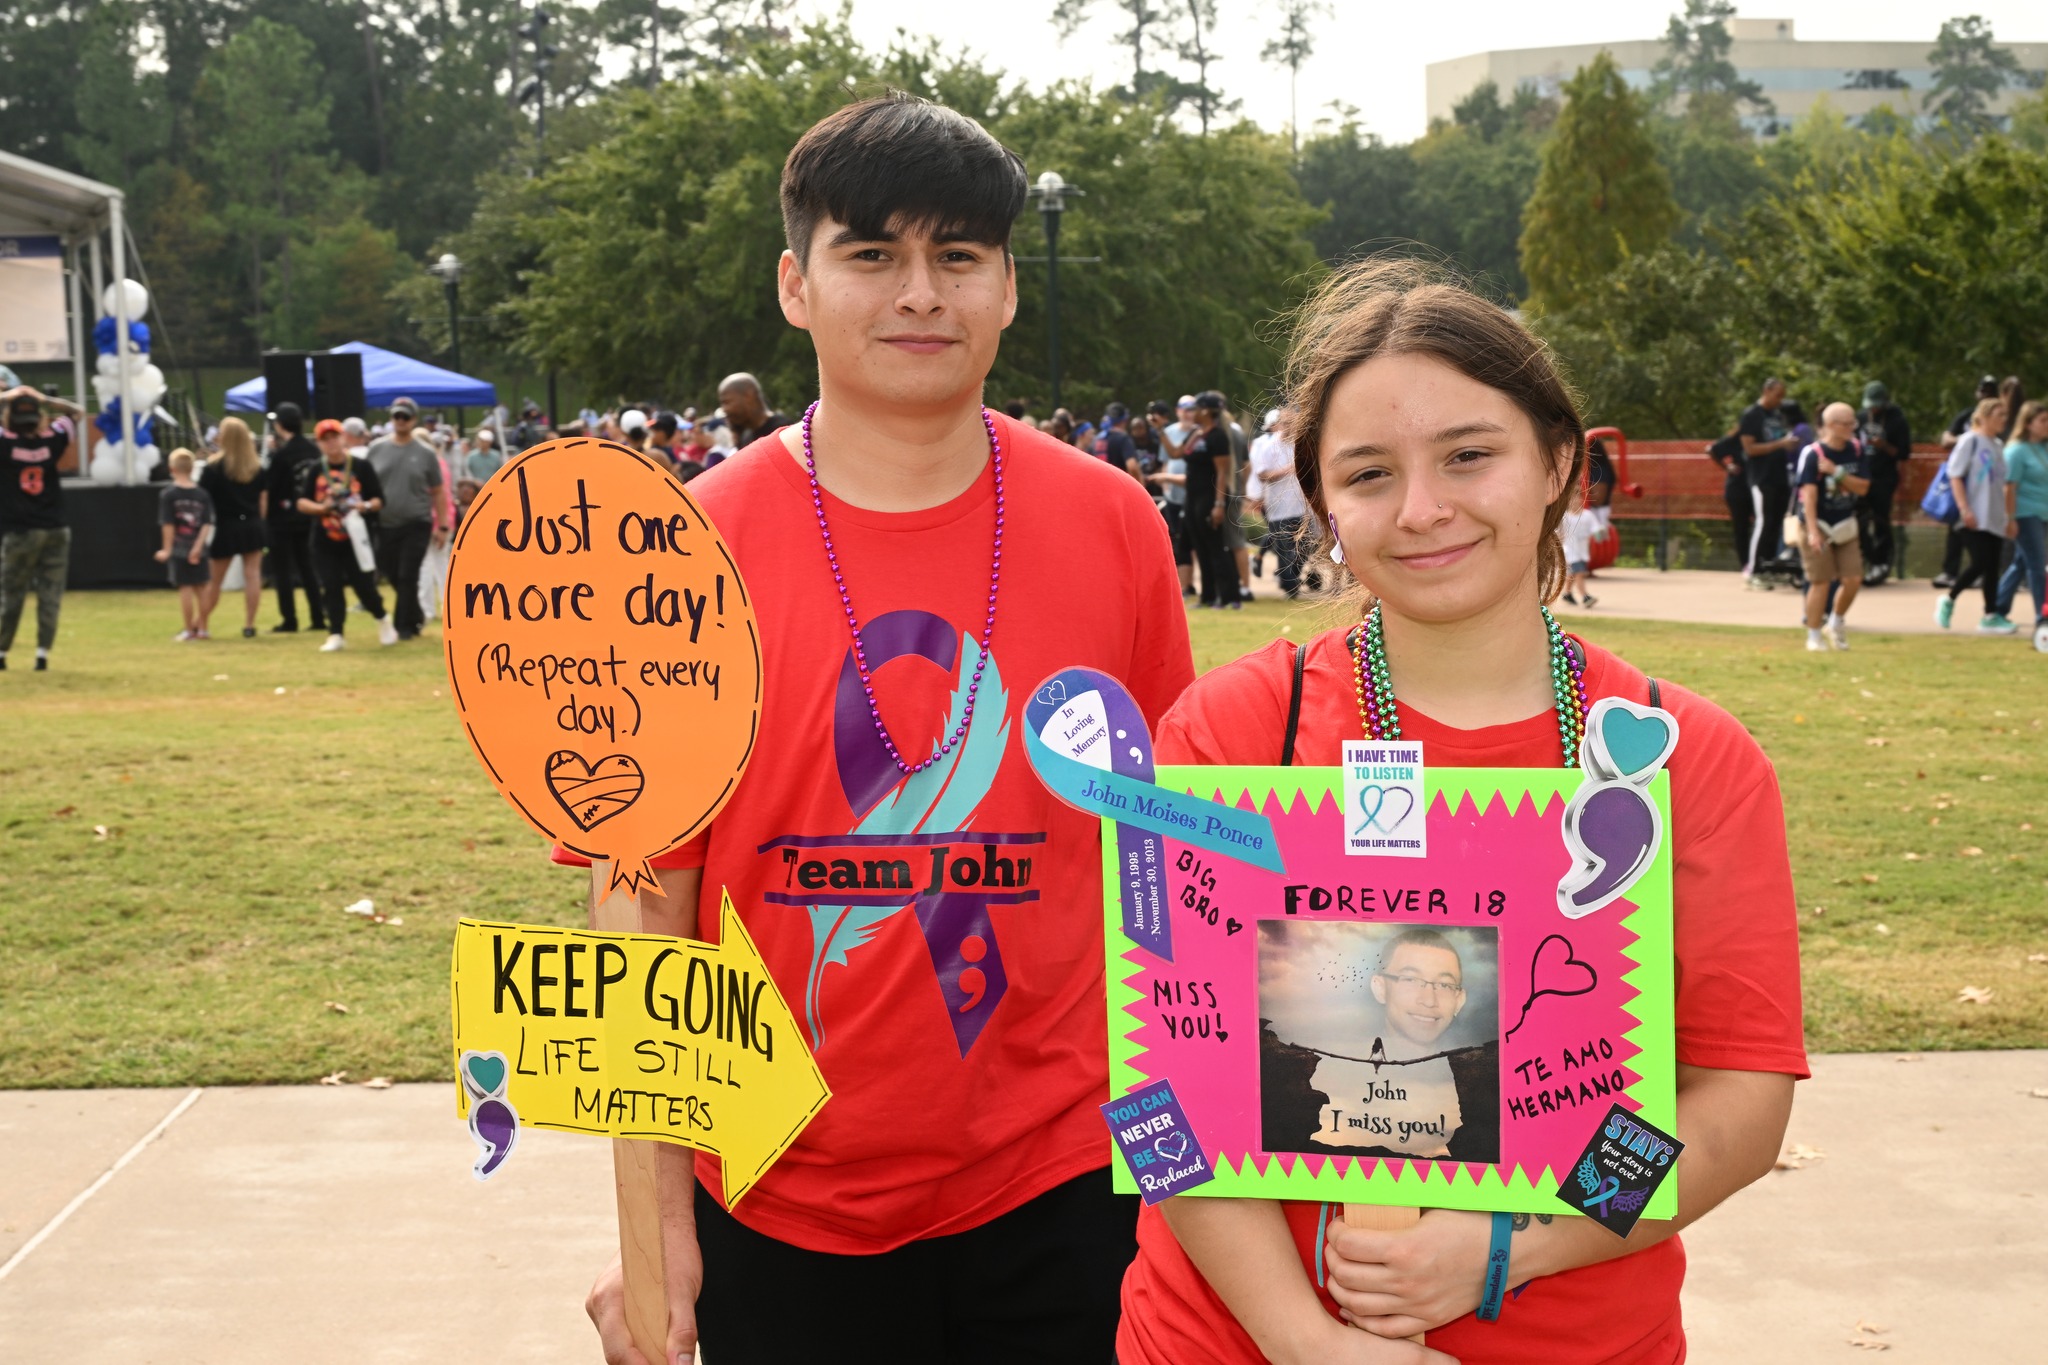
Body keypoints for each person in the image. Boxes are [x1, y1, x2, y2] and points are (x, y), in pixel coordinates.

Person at [579, 91, 1194, 1365]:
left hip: (1067, 1176)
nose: (920, 293)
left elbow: (1163, 869)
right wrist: (655, 1229)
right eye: (872, 255)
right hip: (772, 1185)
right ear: (797, 285)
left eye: (956, 257)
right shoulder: (678, 547)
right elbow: (645, 903)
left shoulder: (1113, 523)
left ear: (1007, 288)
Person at [1118, 258, 1803, 1365]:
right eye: (1370, 473)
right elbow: (1154, 1090)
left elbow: (1735, 1106)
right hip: (1225, 1341)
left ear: (1558, 466)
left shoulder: (1685, 760)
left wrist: (1511, 1245)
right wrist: (1303, 1340)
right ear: (1324, 506)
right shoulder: (1227, 733)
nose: (1422, 509)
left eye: (1468, 455)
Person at [298, 418, 398, 652]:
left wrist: (363, 506)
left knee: (363, 585)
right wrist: (322, 508)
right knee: (330, 585)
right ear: (320, 443)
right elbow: (302, 501)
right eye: (325, 439)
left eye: (334, 437)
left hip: (356, 536)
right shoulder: (316, 468)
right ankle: (336, 633)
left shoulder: (361, 466)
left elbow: (378, 499)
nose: (331, 443)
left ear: (344, 438)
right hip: (325, 536)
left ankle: (382, 617)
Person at [0, 384, 80, 671]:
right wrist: (42, 398)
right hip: (55, 529)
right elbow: (77, 413)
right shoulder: (52, 442)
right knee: (50, 594)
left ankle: (2, 652)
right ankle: (42, 653)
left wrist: (9, 397)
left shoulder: (5, 443)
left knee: (11, 594)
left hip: (20, 531)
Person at [1793, 402, 1870, 651]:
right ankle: (1813, 635)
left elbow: (1863, 487)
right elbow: (1810, 497)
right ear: (1829, 425)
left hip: (1845, 522)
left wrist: (1837, 473)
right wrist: (1814, 532)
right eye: (1845, 424)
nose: (1851, 428)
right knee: (1821, 581)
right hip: (1818, 523)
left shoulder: (1857, 450)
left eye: (1852, 423)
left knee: (1853, 578)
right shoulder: (1813, 454)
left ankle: (1835, 621)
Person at [365, 396, 442, 641]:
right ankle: (415, 614)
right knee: (393, 573)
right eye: (396, 416)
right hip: (385, 523)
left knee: (408, 574)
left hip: (417, 521)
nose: (400, 421)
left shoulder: (425, 453)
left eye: (405, 417)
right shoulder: (376, 449)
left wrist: (443, 524)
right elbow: (366, 483)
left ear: (414, 420)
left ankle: (402, 628)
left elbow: (438, 491)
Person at [1936, 396, 2013, 633]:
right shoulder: (1970, 441)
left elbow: (2003, 482)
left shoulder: (1998, 445)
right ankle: (1949, 599)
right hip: (1973, 514)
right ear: (1985, 416)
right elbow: (1955, 475)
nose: (2004, 420)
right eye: (1999, 415)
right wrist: (1964, 508)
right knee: (1980, 562)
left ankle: (1990, 615)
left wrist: (2008, 516)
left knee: (1992, 567)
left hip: (1994, 514)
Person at [197, 416, 269, 639]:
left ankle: (201, 624)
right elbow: (263, 501)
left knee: (214, 579)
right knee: (253, 575)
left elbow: (203, 498)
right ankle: (249, 624)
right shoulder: (257, 467)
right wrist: (259, 521)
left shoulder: (213, 468)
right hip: (252, 524)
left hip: (227, 525)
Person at [263, 402, 325, 635]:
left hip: (282, 519)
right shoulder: (313, 450)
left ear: (279, 425)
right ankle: (318, 616)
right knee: (308, 568)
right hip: (309, 517)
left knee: (283, 571)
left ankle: (290, 619)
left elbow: (271, 488)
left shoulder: (281, 456)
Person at [1935, 376, 2000, 588]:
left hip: (1987, 490)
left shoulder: (1999, 425)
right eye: (1983, 391)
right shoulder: (1967, 423)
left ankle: (1982, 585)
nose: (1985, 395)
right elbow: (1946, 439)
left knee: (1986, 551)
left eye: (1990, 391)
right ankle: (1949, 573)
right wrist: (1971, 437)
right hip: (1964, 483)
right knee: (1957, 531)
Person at [1738, 378, 1800, 584]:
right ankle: (1753, 570)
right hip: (1761, 478)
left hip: (1779, 477)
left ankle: (1768, 567)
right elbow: (1750, 448)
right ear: (1766, 390)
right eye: (1777, 395)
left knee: (1776, 523)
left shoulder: (1776, 415)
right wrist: (1780, 444)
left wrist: (1788, 443)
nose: (1780, 400)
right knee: (1763, 522)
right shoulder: (1751, 415)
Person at [1993, 400, 2048, 630]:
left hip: (2043, 512)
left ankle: (1997, 606)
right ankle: (2042, 618)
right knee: (2038, 564)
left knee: (2020, 563)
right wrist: (2010, 518)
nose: (2047, 425)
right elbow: (2008, 487)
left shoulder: (2044, 448)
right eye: (2043, 420)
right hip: (2025, 514)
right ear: (2028, 424)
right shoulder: (2016, 451)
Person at [1184, 391, 1240, 609]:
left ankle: (1229, 596)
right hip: (1192, 497)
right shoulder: (1199, 434)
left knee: (1216, 547)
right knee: (1200, 547)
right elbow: (1178, 453)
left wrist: (1218, 504)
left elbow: (1222, 472)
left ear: (1206, 411)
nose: (1191, 413)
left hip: (1209, 497)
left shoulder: (1217, 436)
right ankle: (1207, 595)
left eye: (1195, 408)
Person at [1248, 406, 1309, 598]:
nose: (1290, 427)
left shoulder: (1300, 444)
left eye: (1293, 423)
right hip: (1278, 507)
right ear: (1279, 424)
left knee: (1304, 546)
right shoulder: (1269, 446)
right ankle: (1290, 586)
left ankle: (1290, 578)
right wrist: (1287, 470)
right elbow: (1262, 474)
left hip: (1301, 505)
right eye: (1286, 423)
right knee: (1284, 547)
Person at [1856, 381, 1910, 585]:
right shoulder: (1861, 417)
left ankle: (1882, 563)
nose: (1873, 409)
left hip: (1884, 478)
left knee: (1880, 521)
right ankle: (1867, 559)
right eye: (1870, 405)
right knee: (1859, 521)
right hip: (1862, 477)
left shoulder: (1897, 420)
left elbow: (1904, 453)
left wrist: (1884, 445)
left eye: (1876, 405)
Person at [156, 448, 215, 640]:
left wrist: (167, 549)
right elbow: (207, 523)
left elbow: (168, 524)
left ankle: (189, 630)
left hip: (180, 546)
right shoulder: (202, 494)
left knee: (186, 588)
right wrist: (199, 546)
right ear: (191, 469)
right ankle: (203, 628)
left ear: (171, 469)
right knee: (202, 588)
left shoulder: (169, 495)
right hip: (199, 547)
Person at [715, 372, 790, 457]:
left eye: (727, 402)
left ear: (748, 396)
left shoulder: (782, 431)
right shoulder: (746, 437)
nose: (724, 409)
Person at [1707, 429, 1751, 570]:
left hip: (1758, 488)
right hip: (1737, 490)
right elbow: (1711, 449)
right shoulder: (1737, 436)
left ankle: (1760, 562)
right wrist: (1727, 467)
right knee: (1741, 529)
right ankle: (1746, 565)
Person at [1558, 494, 1599, 608]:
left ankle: (1567, 593)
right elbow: (1558, 533)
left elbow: (1596, 529)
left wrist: (1599, 534)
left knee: (1572, 574)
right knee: (1579, 573)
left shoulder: (1587, 516)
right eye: (1572, 498)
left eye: (1578, 498)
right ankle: (1585, 596)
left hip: (1582, 551)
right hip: (1569, 551)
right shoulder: (1564, 517)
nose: (1575, 501)